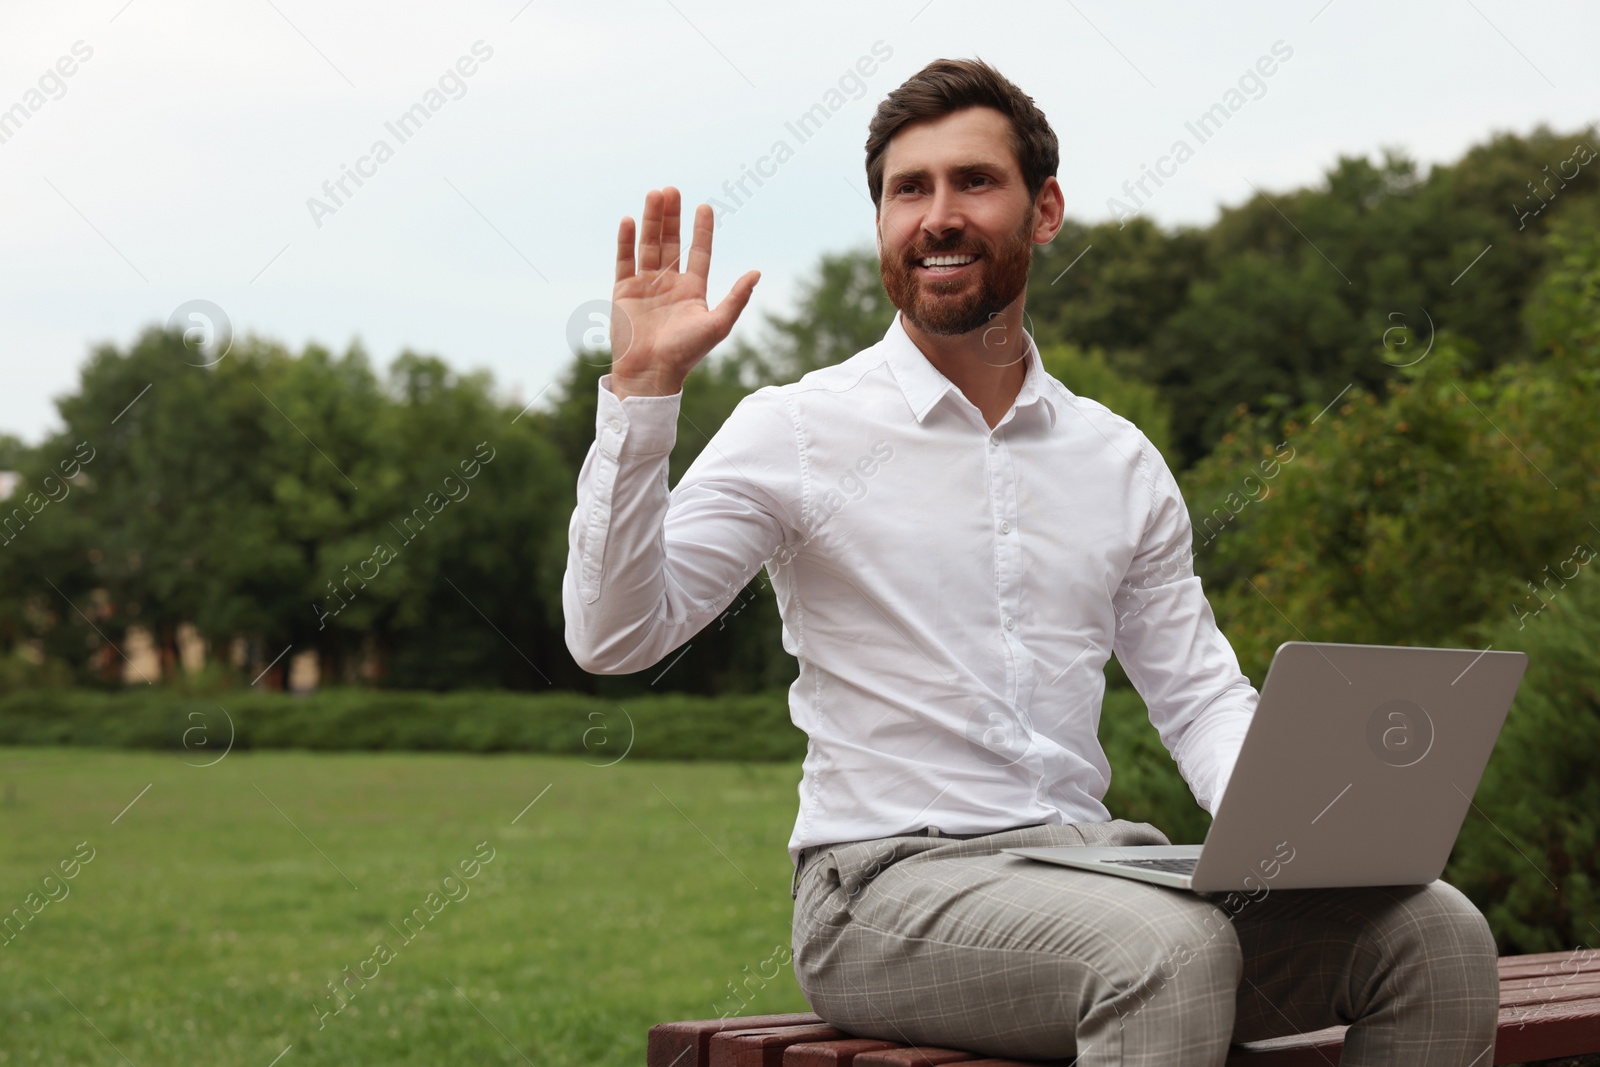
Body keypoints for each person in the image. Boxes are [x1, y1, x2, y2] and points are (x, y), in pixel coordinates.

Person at [562, 57, 1497, 1067]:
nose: (937, 214)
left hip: (1098, 869)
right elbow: (615, 635)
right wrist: (643, 391)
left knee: (1435, 931)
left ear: (1043, 210)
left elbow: (1194, 696)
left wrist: (1297, 828)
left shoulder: (1115, 457)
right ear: (879, 222)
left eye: (974, 181)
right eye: (906, 190)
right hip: (881, 891)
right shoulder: (794, 428)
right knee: (1162, 953)